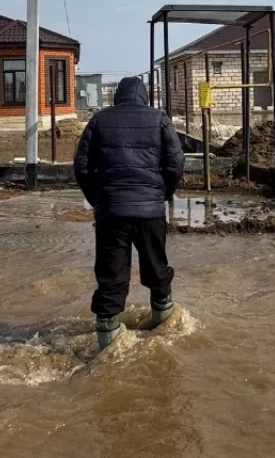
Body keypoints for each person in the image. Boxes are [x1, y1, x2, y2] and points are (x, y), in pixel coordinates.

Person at [73, 76, 184, 350]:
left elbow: (81, 165)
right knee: (157, 270)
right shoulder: (160, 119)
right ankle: (163, 331)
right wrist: (163, 195)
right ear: (144, 96)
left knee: (111, 276)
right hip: (150, 211)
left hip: (111, 213)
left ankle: (107, 348)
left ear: (117, 97)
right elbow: (176, 163)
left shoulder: (99, 120)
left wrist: (98, 200)